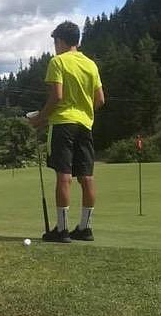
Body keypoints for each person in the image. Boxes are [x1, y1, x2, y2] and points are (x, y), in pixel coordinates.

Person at [28, 21, 105, 243]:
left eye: (55, 42)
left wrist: (40, 119)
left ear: (60, 41)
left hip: (62, 124)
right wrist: (84, 112)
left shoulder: (57, 62)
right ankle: (85, 228)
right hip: (85, 124)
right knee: (86, 176)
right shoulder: (90, 64)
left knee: (63, 175)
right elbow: (100, 99)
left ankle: (61, 230)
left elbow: (57, 97)